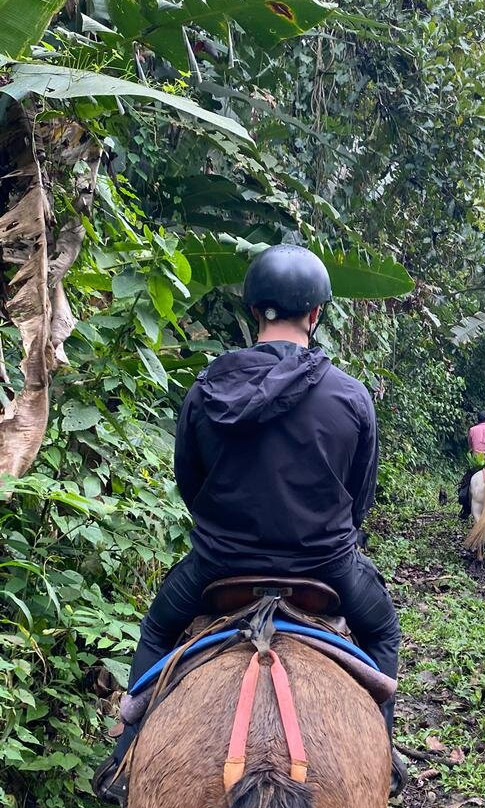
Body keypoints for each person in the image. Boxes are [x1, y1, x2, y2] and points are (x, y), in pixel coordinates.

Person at [94, 245, 407, 802]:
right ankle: (385, 750)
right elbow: (360, 499)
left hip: (220, 563)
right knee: (381, 632)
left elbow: (190, 484)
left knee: (159, 632)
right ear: (316, 314)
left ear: (253, 309)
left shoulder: (208, 388)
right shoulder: (351, 396)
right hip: (327, 566)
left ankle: (123, 753)